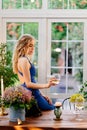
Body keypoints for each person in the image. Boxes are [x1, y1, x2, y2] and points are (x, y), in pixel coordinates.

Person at [12, 34, 57, 111]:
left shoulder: (22, 59)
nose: (33, 48)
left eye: (33, 46)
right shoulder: (23, 61)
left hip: (35, 94)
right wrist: (47, 85)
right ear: (23, 46)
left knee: (52, 108)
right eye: (30, 45)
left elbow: (29, 82)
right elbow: (28, 84)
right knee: (53, 110)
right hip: (32, 95)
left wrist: (42, 95)